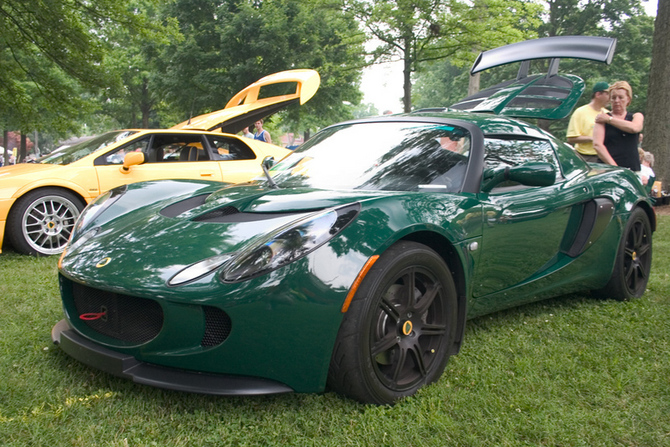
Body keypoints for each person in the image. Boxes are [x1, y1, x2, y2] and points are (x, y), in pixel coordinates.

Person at [593, 81, 644, 171]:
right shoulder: (601, 119)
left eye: (620, 97)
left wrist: (609, 120)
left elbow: (634, 128)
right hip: (607, 170)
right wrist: (615, 168)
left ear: (628, 99)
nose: (617, 101)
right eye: (613, 98)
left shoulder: (636, 116)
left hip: (632, 170)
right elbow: (597, 145)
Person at [566, 81, 610, 162]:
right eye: (607, 94)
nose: (610, 98)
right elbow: (571, 138)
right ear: (598, 94)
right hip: (585, 157)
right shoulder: (580, 112)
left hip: (604, 156)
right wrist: (594, 139)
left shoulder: (607, 114)